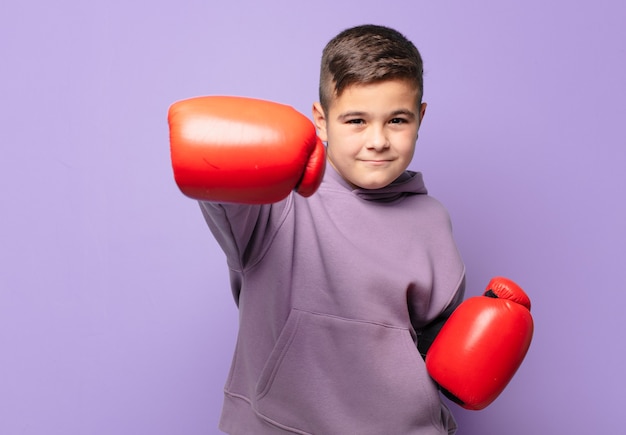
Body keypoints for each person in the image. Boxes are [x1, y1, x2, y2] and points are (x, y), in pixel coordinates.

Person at [168, 24, 532, 435]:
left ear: (421, 118)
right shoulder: (276, 201)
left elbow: (435, 344)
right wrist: (222, 153)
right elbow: (220, 190)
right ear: (320, 121)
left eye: (397, 120)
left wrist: (478, 350)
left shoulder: (431, 220)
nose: (377, 140)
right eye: (356, 120)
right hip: (277, 424)